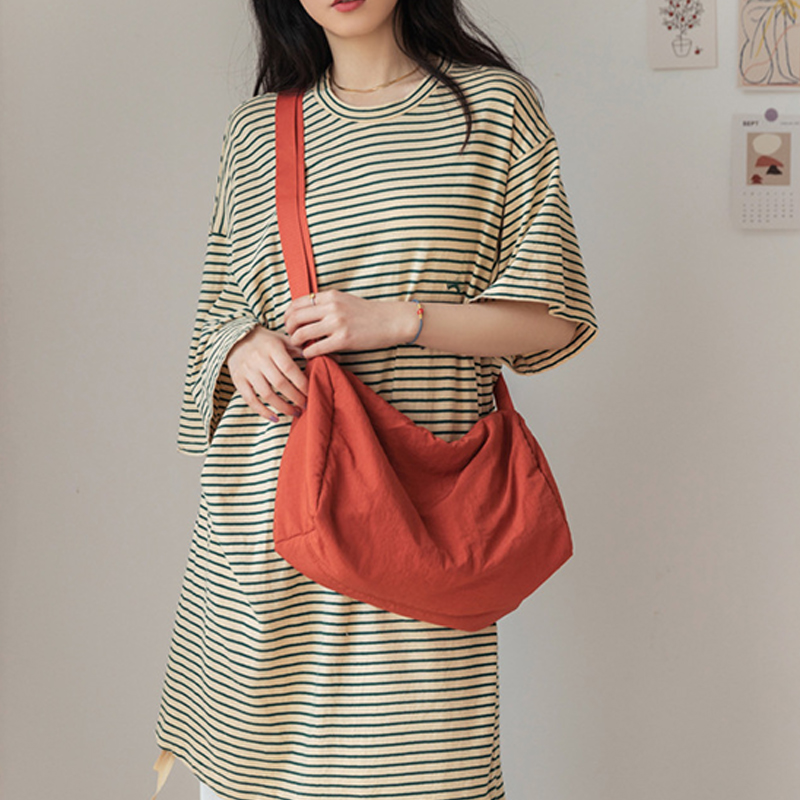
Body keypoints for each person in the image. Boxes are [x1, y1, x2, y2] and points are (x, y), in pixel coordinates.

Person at [151, 1, 597, 798]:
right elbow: (215, 315)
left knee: (418, 775)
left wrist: (401, 320)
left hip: (417, 527)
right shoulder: (255, 133)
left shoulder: (494, 108)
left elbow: (552, 318)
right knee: (251, 778)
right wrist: (240, 344)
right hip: (267, 530)